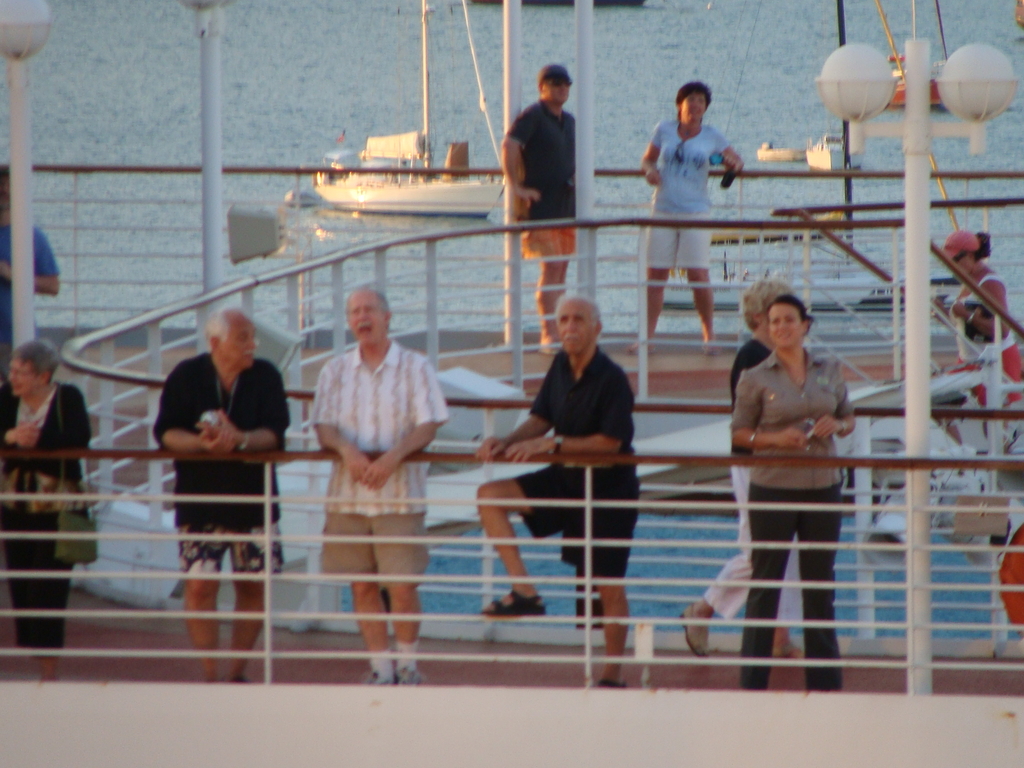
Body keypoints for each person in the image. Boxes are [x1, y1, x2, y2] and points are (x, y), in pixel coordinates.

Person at [475, 295, 639, 687]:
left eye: (578, 319)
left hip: (609, 490)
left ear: (597, 327)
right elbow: (541, 418)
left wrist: (554, 445)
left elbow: (610, 444)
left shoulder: (613, 378)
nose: (569, 327)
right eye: (563, 319)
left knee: (608, 585)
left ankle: (612, 675)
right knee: (490, 496)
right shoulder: (559, 367)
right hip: (566, 478)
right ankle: (525, 590)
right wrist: (505, 441)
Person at [312, 288, 448, 686]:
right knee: (361, 584)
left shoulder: (415, 366)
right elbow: (323, 425)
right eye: (354, 311)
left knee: (402, 586)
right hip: (349, 496)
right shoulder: (334, 370)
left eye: (369, 309)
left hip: (399, 498)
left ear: (388, 316)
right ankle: (380, 667)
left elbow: (429, 423)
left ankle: (407, 666)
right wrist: (346, 450)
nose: (362, 317)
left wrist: (393, 457)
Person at [153, 308, 290, 683]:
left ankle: (236, 673)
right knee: (198, 588)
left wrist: (241, 440)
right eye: (243, 337)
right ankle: (211, 674)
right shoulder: (187, 375)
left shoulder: (265, 376)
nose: (253, 345)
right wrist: (201, 443)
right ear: (216, 343)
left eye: (252, 337)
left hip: (253, 503)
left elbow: (276, 433)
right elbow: (165, 432)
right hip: (200, 501)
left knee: (252, 587)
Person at [730, 294, 854, 691]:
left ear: (805, 325)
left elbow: (849, 416)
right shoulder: (754, 377)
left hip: (823, 488)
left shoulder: (829, 369)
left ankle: (824, 683)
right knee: (765, 585)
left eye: (789, 320)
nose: (781, 327)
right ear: (766, 327)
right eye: (774, 321)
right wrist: (774, 439)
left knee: (820, 587)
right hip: (773, 489)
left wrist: (837, 425)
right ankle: (752, 682)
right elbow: (738, 434)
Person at [680, 279, 803, 659]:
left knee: (787, 548)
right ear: (759, 317)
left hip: (779, 465)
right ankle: (703, 609)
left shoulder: (783, 356)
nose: (784, 322)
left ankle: (778, 635)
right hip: (755, 464)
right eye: (776, 314)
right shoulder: (752, 357)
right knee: (759, 553)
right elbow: (753, 417)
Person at [0, 340, 90, 681]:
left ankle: (49, 673)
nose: (14, 378)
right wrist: (11, 435)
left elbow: (80, 435)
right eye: (12, 371)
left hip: (58, 505)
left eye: (21, 372)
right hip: (16, 501)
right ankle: (37, 662)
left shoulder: (68, 397)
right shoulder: (6, 399)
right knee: (22, 584)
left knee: (47, 586)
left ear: (44, 376)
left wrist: (37, 440)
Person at [637, 82, 742, 353]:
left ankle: (709, 336)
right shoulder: (664, 129)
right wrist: (649, 170)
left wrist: (733, 164)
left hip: (696, 211)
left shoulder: (712, 136)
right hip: (663, 209)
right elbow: (647, 159)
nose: (695, 105)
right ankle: (646, 338)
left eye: (700, 101)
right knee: (656, 275)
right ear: (679, 104)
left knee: (698, 274)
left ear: (705, 108)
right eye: (690, 100)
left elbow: (734, 159)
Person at [504, 64, 576, 350]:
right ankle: (549, 332)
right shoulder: (533, 116)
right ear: (542, 87)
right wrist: (516, 186)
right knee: (552, 268)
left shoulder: (568, 120)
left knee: (562, 271)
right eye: (555, 83)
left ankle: (559, 328)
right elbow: (509, 145)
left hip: (566, 205)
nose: (562, 88)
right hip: (541, 206)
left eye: (566, 83)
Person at [940, 230, 1022, 406]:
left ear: (970, 255)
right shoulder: (968, 279)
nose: (951, 266)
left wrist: (968, 316)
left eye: (955, 260)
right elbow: (961, 324)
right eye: (947, 261)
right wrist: (941, 313)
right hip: (970, 360)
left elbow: (1003, 330)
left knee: (997, 419)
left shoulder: (990, 283)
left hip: (996, 360)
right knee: (940, 398)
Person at [0, 168, 61, 376]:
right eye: (0, 184)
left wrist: (14, 276)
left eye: (9, 185)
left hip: (14, 336)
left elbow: (53, 286)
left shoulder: (31, 236)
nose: (4, 190)